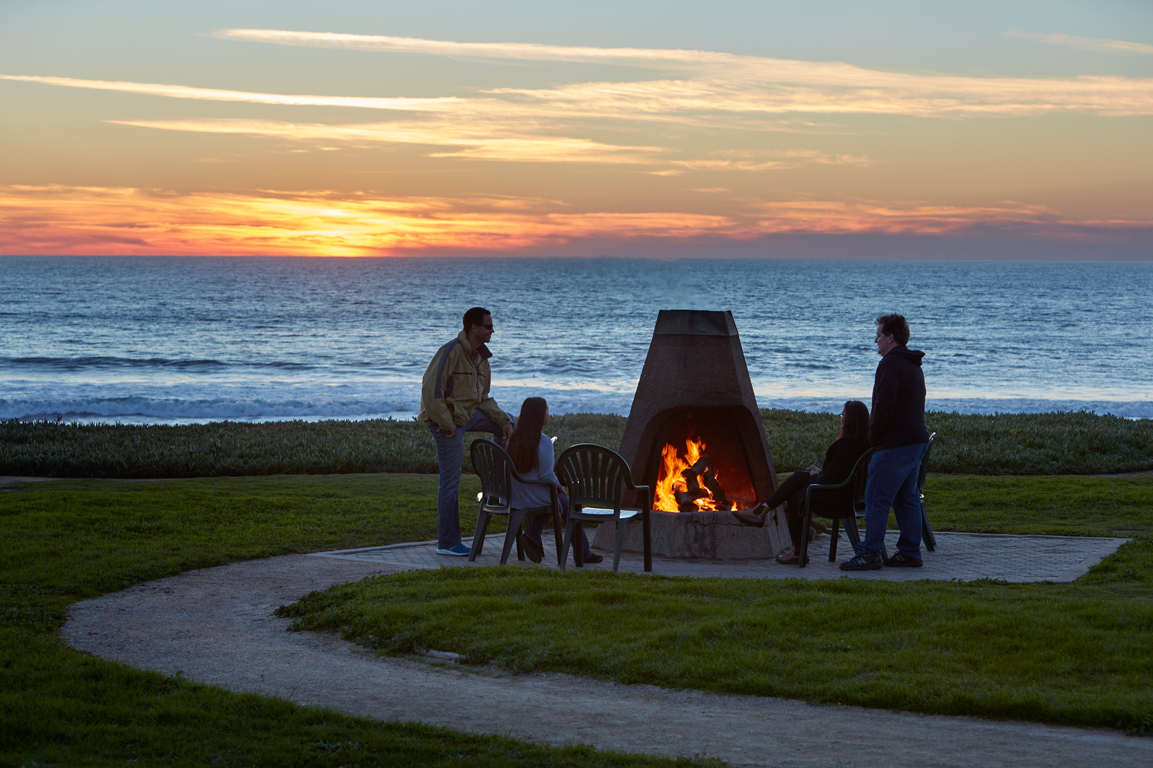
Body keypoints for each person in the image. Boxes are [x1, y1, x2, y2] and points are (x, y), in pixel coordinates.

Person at [418, 307, 514, 557]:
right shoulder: (450, 351)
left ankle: (498, 484)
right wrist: (447, 424)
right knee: (450, 481)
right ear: (474, 328)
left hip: (469, 415)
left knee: (510, 423)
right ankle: (447, 543)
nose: (493, 330)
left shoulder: (481, 358)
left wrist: (502, 420)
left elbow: (483, 398)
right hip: (447, 423)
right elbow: (431, 391)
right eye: (488, 326)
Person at [840, 313, 931, 571]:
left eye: (879, 335)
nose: (875, 340)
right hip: (915, 441)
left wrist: (873, 437)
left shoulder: (890, 365)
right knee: (906, 497)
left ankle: (870, 553)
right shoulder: (913, 365)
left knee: (876, 498)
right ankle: (909, 552)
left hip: (895, 444)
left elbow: (884, 407)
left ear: (890, 337)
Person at [732, 401, 871, 564]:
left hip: (837, 500)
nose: (841, 419)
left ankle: (767, 516)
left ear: (850, 420)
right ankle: (764, 514)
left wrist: (814, 476)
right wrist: (819, 472)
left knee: (797, 491)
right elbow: (840, 474)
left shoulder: (845, 445)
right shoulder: (864, 444)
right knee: (798, 487)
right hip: (850, 497)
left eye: (843, 415)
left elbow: (828, 480)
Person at [507, 397, 602, 565]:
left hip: (516, 494)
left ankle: (531, 536)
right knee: (566, 504)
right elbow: (546, 475)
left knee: (557, 502)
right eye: (547, 410)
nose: (549, 414)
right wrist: (559, 487)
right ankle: (582, 553)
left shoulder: (515, 438)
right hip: (533, 494)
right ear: (538, 415)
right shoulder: (542, 441)